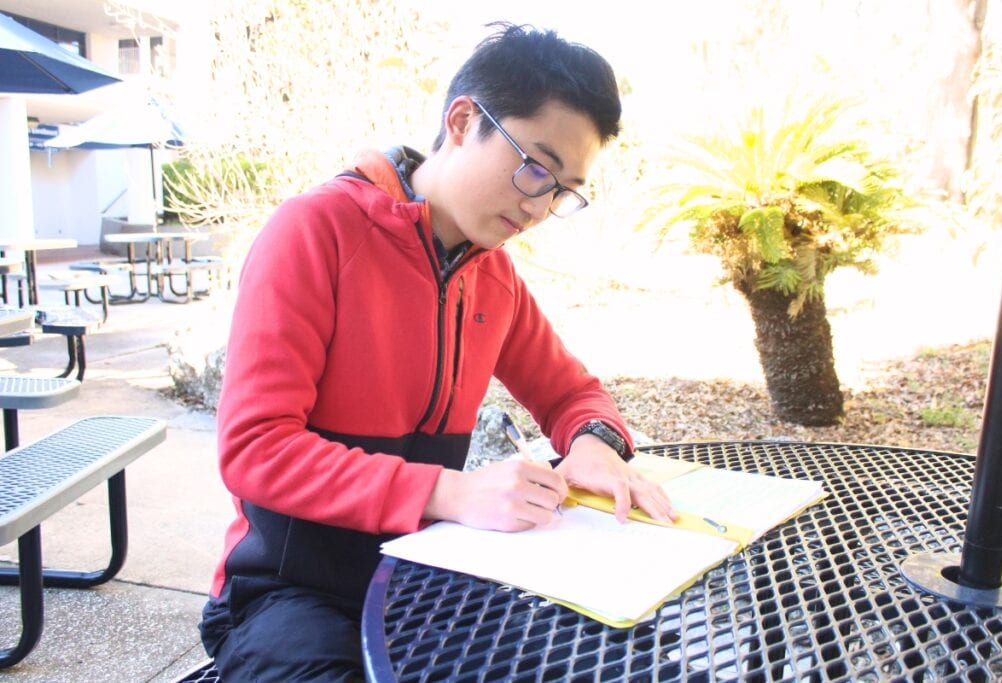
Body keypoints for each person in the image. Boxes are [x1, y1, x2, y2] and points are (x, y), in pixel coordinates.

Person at [199, 22, 677, 681]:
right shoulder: (316, 232)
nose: (540, 206)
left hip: (429, 576)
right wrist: (449, 491)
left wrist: (595, 443)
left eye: (563, 189)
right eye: (535, 166)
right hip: (290, 588)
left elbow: (571, 394)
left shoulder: (493, 275)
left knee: (620, 658)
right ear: (461, 121)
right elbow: (257, 446)